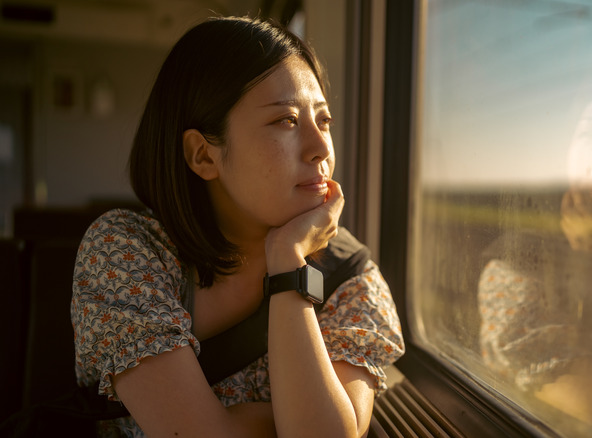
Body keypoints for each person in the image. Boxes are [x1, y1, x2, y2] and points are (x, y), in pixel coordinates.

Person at [70, 16, 404, 437]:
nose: (321, 147)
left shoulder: (350, 276)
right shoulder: (126, 252)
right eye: (285, 120)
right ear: (203, 155)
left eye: (323, 120)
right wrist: (282, 422)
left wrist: (287, 262)